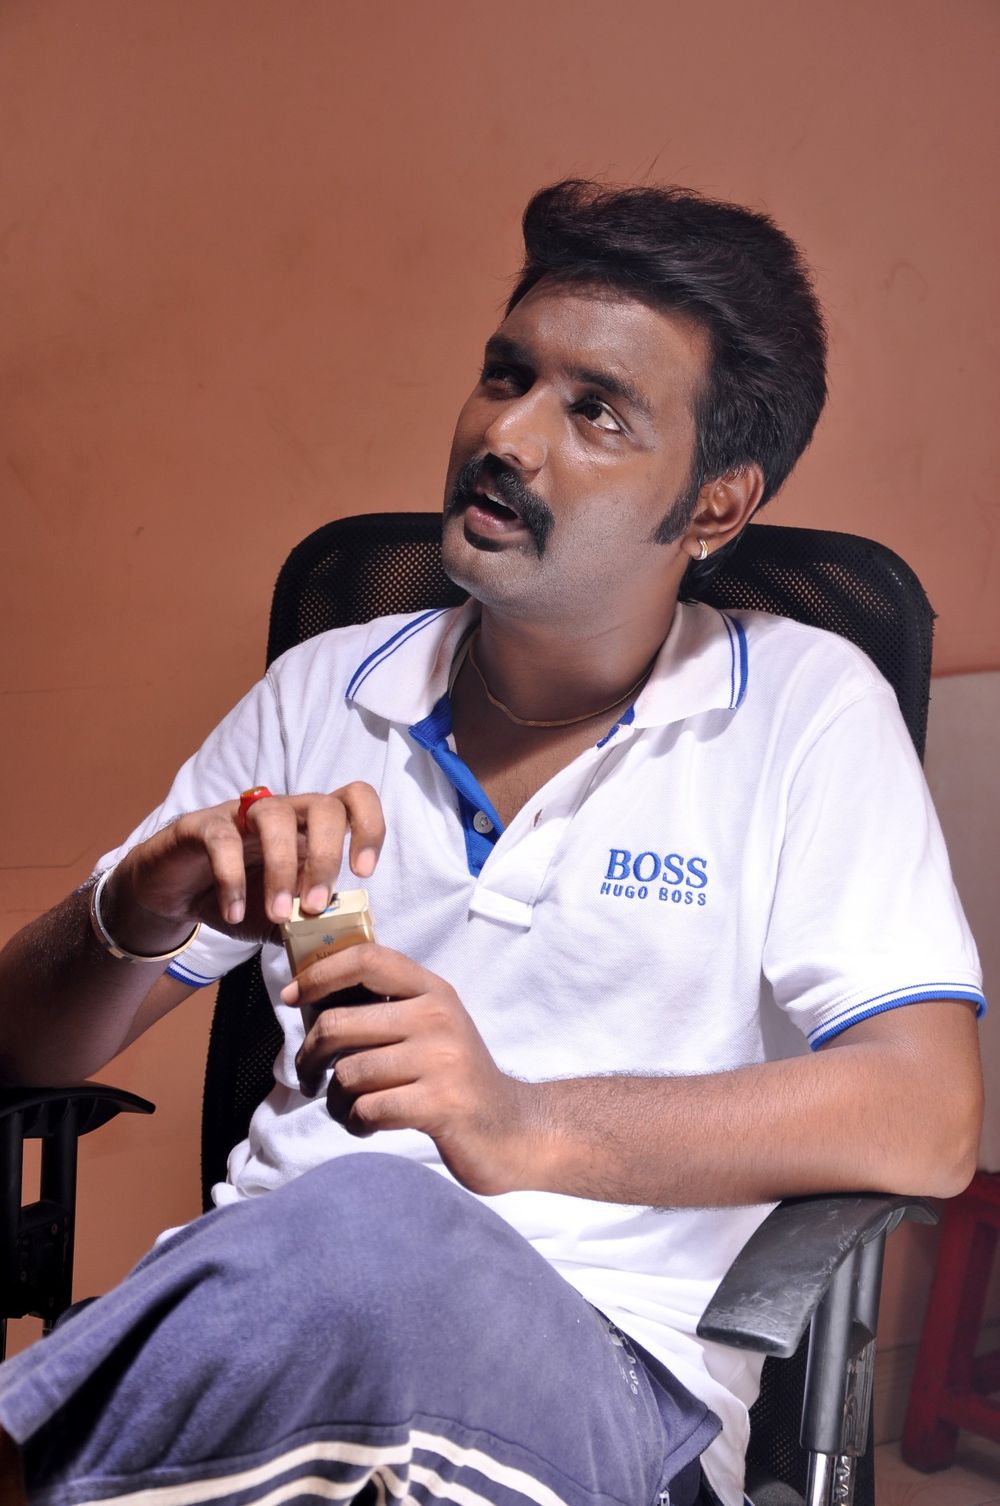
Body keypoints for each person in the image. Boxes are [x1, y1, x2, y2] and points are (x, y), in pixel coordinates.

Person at [0, 180, 984, 1506]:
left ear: (714, 507)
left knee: (379, 1214)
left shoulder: (805, 709)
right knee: (343, 1233)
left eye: (597, 411)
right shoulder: (325, 688)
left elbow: (927, 1113)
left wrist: (523, 1122)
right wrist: (142, 901)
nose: (506, 435)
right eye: (505, 375)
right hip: (271, 1342)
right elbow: (22, 1050)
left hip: (605, 1381)